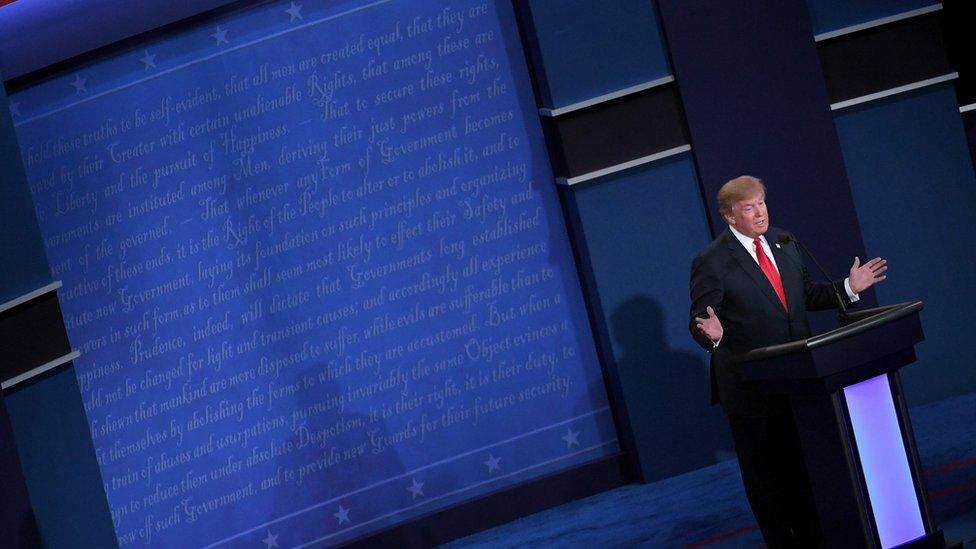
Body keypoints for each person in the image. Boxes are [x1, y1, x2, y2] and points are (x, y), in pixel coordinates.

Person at [689, 175, 887, 547]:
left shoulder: (784, 242)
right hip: (754, 391)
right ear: (730, 216)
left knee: (808, 473)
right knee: (771, 484)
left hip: (802, 381)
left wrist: (849, 287)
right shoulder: (712, 261)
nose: (760, 213)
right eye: (749, 208)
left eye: (762, 203)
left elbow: (805, 296)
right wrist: (712, 335)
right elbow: (701, 319)